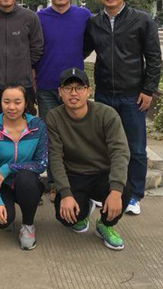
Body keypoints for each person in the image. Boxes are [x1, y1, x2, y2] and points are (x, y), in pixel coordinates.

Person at [84, 0, 161, 216]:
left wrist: (148, 89)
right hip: (104, 94)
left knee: (135, 148)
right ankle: (107, 191)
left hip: (133, 95)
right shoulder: (94, 23)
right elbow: (82, 50)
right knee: (104, 146)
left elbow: (154, 58)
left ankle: (134, 195)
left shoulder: (141, 20)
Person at [47, 68, 131, 251]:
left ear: (88, 90)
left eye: (79, 87)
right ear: (60, 92)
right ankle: (84, 210)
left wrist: (116, 191)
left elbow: (120, 152)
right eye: (68, 88)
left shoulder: (107, 114)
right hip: (74, 175)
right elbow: (55, 156)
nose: (73, 93)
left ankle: (105, 225)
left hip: (102, 174)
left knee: (124, 190)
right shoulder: (54, 117)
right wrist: (66, 194)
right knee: (67, 218)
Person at [35, 0, 91, 202]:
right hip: (46, 86)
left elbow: (87, 45)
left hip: (74, 88)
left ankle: (75, 182)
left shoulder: (84, 15)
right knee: (51, 137)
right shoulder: (39, 17)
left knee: (76, 135)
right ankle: (53, 183)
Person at [0, 84, 48, 251]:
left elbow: (41, 163)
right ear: (1, 102)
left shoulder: (37, 126)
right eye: (7, 101)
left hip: (26, 183)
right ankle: (7, 212)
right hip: (1, 184)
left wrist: (9, 167)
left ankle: (28, 225)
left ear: (26, 103)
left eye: (17, 102)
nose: (11, 107)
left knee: (26, 178)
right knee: (3, 222)